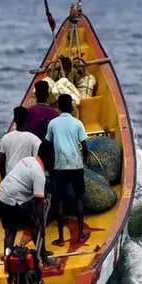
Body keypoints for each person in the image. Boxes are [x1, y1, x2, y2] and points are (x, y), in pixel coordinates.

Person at [0, 141, 55, 264]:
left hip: (1, 195)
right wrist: (41, 223)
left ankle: (7, 258)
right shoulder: (39, 174)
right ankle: (45, 259)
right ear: (49, 157)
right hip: (13, 200)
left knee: (10, 231)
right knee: (34, 227)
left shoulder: (28, 160)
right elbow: (38, 204)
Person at [45, 93, 89, 246]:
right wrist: (84, 161)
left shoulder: (53, 124)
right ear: (71, 106)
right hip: (76, 166)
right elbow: (84, 146)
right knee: (79, 199)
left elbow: (48, 144)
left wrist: (49, 165)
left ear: (58, 106)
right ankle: (81, 234)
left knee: (60, 201)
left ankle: (61, 239)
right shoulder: (78, 123)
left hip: (60, 167)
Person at [0, 106, 41, 178]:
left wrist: (4, 180)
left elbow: (1, 164)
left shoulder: (6, 138)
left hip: (10, 178)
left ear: (14, 120)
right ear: (27, 119)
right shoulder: (34, 139)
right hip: (26, 180)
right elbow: (38, 164)